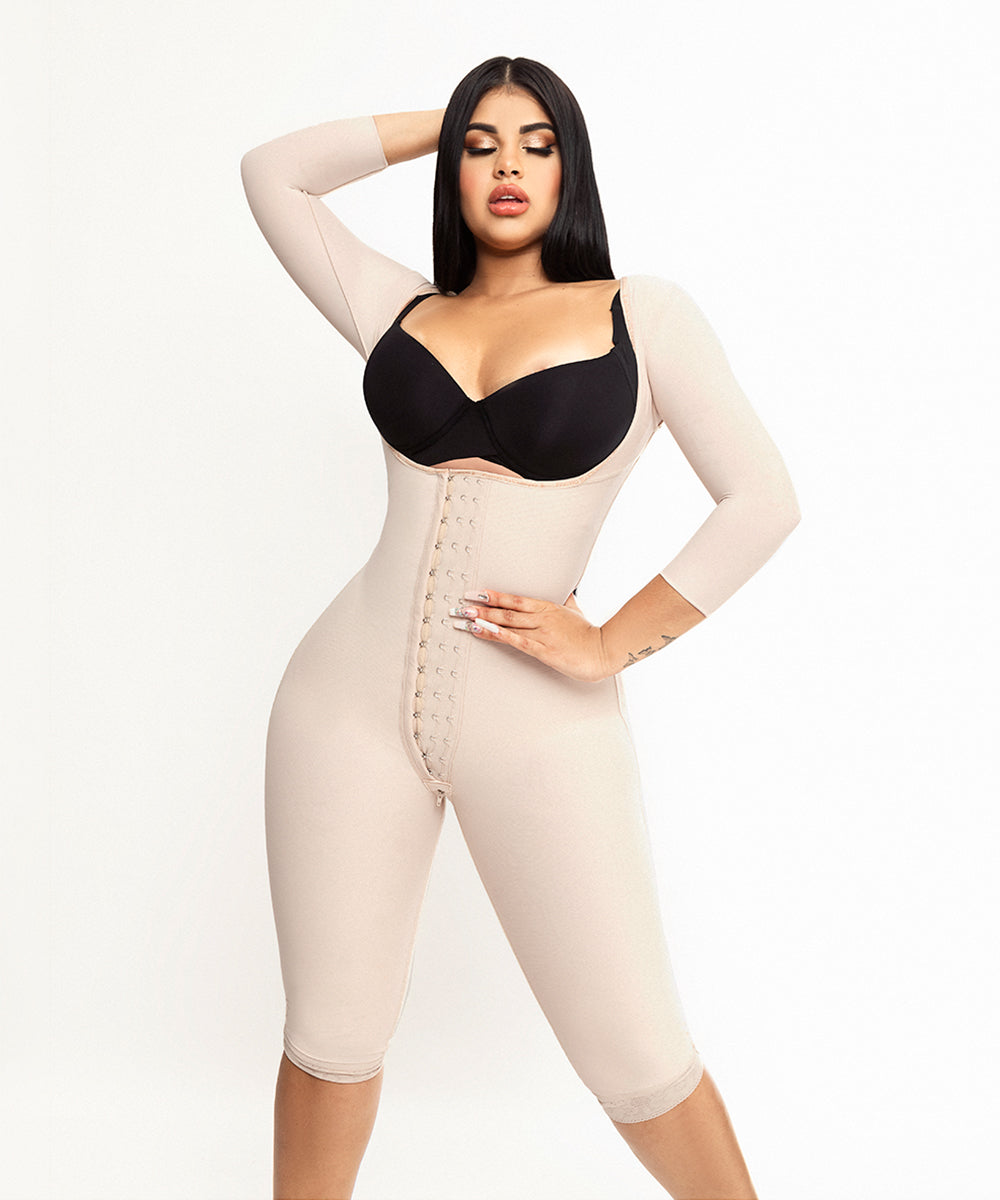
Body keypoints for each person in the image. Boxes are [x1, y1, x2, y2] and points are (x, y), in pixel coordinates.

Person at [240, 54, 799, 1200]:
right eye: (481, 144)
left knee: (637, 1054)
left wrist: (610, 640)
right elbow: (272, 174)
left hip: (539, 723)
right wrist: (444, 116)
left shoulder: (642, 314)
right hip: (340, 707)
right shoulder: (398, 308)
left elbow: (760, 501)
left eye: (536, 144)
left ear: (571, 167)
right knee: (330, 1037)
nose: (506, 165)